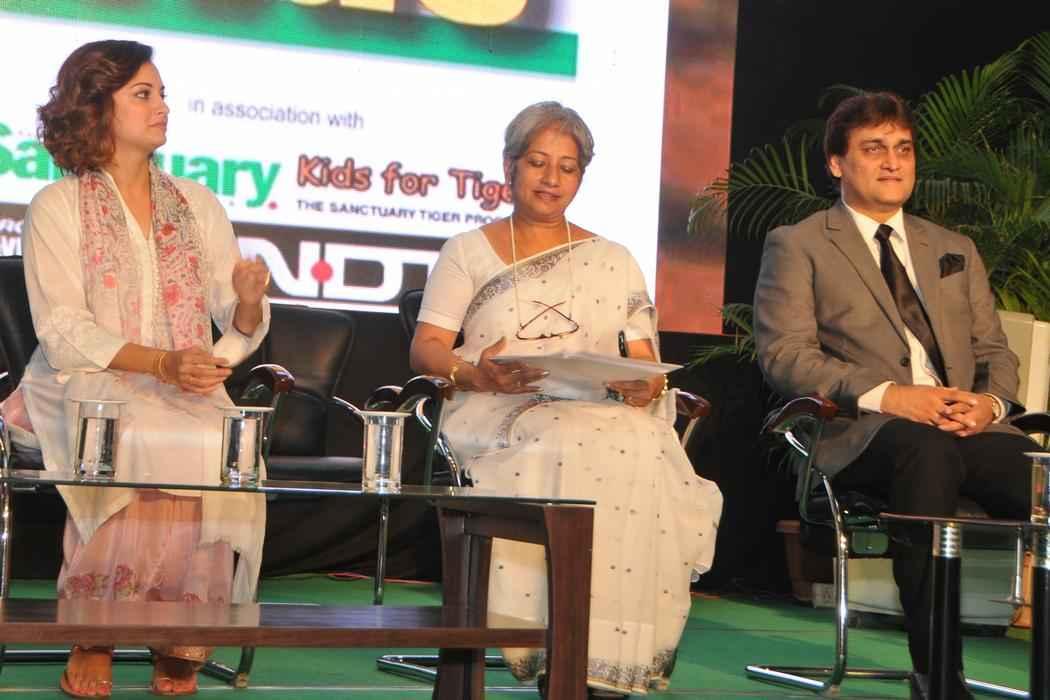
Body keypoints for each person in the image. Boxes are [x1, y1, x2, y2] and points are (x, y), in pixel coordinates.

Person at [410, 101, 722, 698]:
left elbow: (645, 359)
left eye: (567, 167)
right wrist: (475, 373)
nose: (551, 179)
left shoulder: (614, 257)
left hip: (598, 409)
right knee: (573, 438)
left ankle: (608, 661)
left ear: (582, 176)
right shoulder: (467, 250)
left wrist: (647, 384)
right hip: (498, 406)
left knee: (636, 436)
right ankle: (560, 650)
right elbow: (426, 349)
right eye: (537, 162)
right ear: (509, 166)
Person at [1, 40, 270, 698]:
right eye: (143, 94)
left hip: (179, 377)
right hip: (81, 376)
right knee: (132, 430)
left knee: (220, 441)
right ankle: (95, 632)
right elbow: (63, 330)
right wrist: (161, 363)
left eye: (162, 94)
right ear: (97, 107)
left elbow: (234, 326)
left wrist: (245, 303)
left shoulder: (197, 203)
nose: (162, 106)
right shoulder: (56, 206)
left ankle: (182, 634)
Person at [753, 91, 1034, 699]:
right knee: (924, 454)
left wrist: (989, 404)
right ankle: (939, 676)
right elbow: (785, 355)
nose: (892, 162)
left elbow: (994, 352)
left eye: (903, 150)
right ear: (837, 163)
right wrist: (889, 396)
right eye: (874, 149)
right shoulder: (799, 243)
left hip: (965, 426)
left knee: (1038, 476)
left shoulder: (953, 247)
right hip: (864, 432)